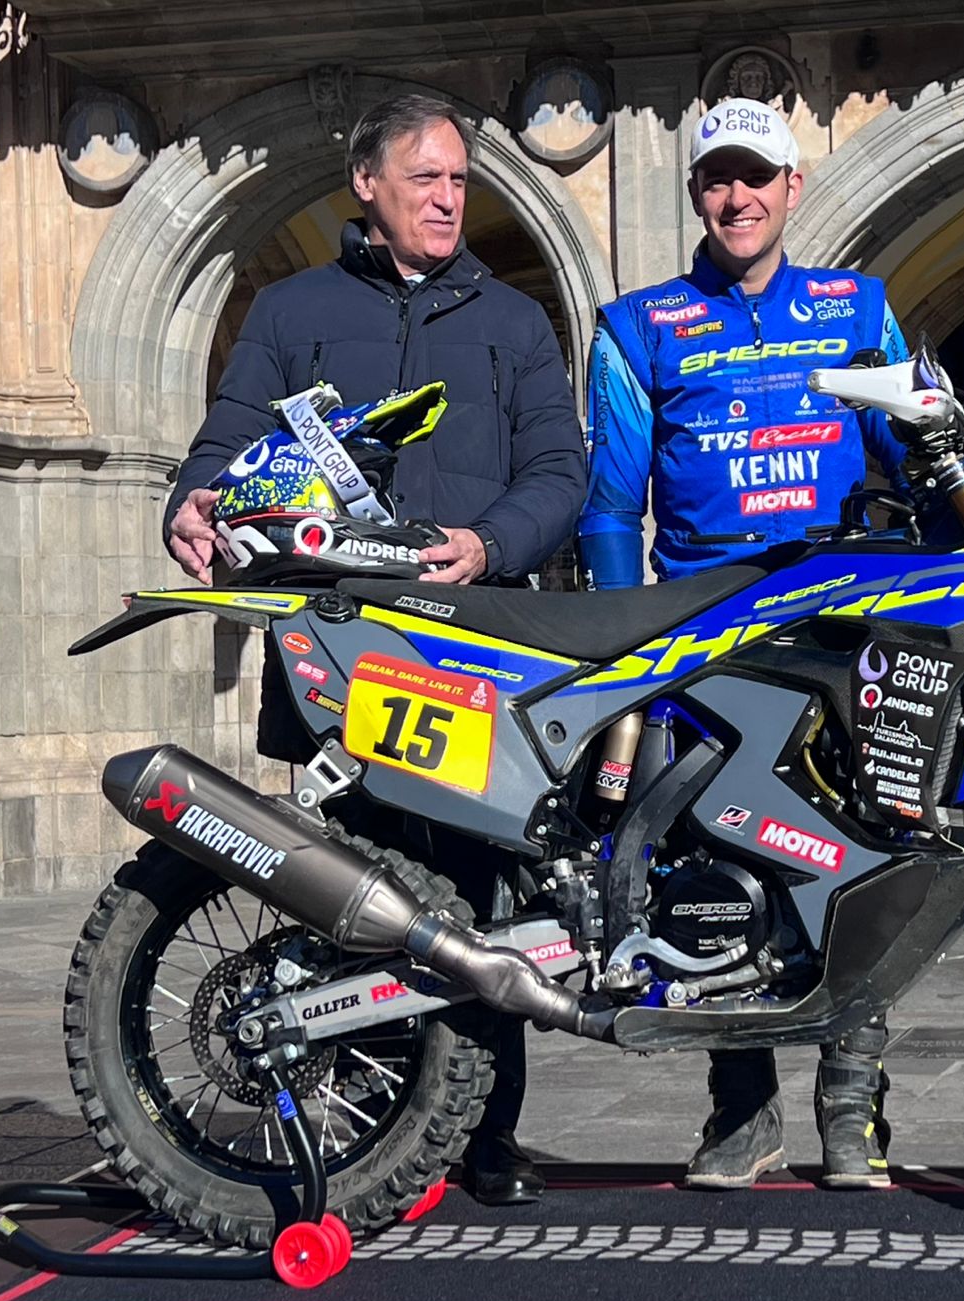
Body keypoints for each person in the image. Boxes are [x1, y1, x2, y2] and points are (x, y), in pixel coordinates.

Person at [163, 94, 587, 1207]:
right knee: (348, 891)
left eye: (459, 181)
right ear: (367, 185)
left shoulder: (512, 321)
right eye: (426, 180)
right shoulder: (292, 307)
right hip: (337, 657)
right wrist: (194, 499)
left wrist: (487, 540)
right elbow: (228, 437)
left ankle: (481, 1138)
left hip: (477, 654)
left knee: (487, 904)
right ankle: (368, 1137)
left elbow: (560, 470)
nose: (449, 199)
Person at [580, 97, 910, 1189]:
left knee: (866, 861)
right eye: (717, 178)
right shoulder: (637, 327)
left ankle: (852, 1106)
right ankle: (741, 1111)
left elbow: (910, 463)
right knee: (714, 875)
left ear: (790, 188)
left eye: (755, 177)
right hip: (698, 637)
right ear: (696, 194)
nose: (737, 197)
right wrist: (626, 665)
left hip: (840, 626)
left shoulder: (859, 310)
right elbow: (608, 508)